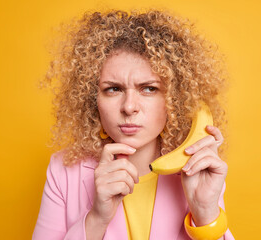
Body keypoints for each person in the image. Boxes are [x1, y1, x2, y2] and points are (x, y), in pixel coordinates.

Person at [33, 9, 235, 240]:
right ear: (93, 99)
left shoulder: (197, 169)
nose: (129, 107)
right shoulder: (62, 171)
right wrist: (97, 218)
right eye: (113, 89)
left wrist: (205, 213)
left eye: (149, 88)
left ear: (174, 99)